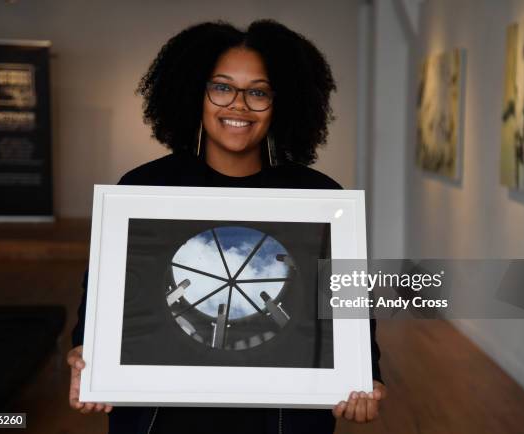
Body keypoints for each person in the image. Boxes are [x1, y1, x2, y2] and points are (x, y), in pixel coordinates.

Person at [67, 19, 386, 434]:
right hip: (163, 412)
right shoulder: (144, 188)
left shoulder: (318, 198)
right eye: (222, 87)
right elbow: (103, 291)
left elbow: (348, 302)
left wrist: (365, 373)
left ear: (281, 102)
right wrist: (85, 351)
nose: (238, 105)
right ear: (195, 95)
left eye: (258, 92)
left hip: (282, 412)